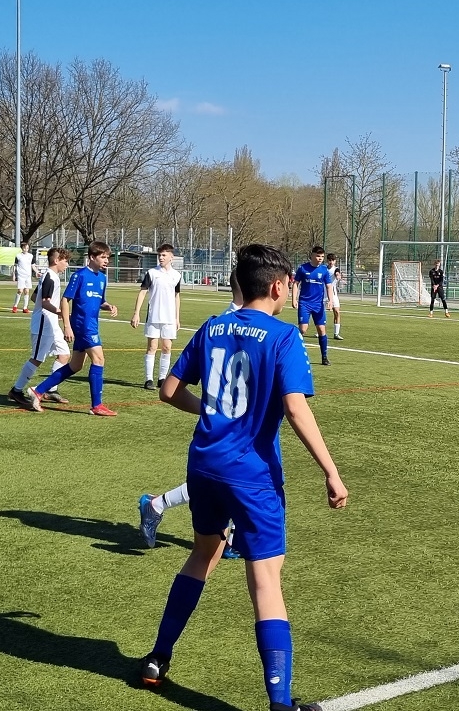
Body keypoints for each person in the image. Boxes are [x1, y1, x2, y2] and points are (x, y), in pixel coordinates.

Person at [140, 243, 347, 711]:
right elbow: (296, 408)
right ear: (276, 287)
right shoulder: (283, 336)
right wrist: (331, 472)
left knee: (202, 555)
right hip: (252, 475)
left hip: (204, 465)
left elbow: (168, 391)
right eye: (289, 284)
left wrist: (211, 412)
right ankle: (279, 702)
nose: (291, 290)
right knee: (266, 579)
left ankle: (157, 657)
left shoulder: (213, 326)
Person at [138, 273, 246, 557]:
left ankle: (158, 505)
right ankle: (230, 537)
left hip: (236, 422)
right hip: (231, 426)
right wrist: (212, 410)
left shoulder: (227, 324)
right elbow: (171, 390)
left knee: (225, 480)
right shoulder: (231, 327)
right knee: (229, 478)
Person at [29, 241, 119, 416]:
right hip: (82, 325)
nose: (106, 260)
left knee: (76, 365)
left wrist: (108, 306)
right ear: (92, 257)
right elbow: (65, 300)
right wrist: (67, 326)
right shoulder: (79, 276)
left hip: (92, 324)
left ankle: (38, 390)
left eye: (107, 257)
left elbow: (100, 301)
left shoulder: (102, 278)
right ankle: (97, 406)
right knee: (99, 359)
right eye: (103, 257)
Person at [8, 247, 73, 410]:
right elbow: (44, 302)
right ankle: (16, 390)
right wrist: (60, 312)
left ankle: (50, 390)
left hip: (51, 323)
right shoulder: (50, 277)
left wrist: (55, 312)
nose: (67, 264)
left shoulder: (50, 276)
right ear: (56, 260)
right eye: (65, 261)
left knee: (64, 354)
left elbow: (34, 297)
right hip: (43, 323)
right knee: (37, 358)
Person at [130, 244, 182, 390]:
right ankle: (148, 379)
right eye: (159, 255)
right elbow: (142, 292)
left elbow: (176, 296)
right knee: (152, 347)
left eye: (164, 255)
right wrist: (136, 313)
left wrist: (177, 318)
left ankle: (162, 378)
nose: (161, 257)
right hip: (154, 316)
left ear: (171, 257)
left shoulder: (176, 275)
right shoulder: (152, 273)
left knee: (167, 347)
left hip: (169, 318)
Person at [292, 246, 334, 365]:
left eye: (322, 256)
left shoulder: (324, 270)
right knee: (303, 329)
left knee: (321, 329)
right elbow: (296, 283)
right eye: (318, 256)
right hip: (304, 303)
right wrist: (294, 299)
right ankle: (294, 351)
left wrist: (330, 300)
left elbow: (329, 286)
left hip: (318, 305)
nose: (320, 258)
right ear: (312, 255)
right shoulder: (303, 268)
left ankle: (324, 357)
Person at [11, 242, 39, 314]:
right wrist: (14, 275)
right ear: (22, 248)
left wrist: (37, 272)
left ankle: (25, 308)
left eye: (27, 248)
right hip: (21, 275)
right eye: (24, 248)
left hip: (28, 276)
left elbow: (33, 265)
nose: (26, 249)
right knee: (20, 290)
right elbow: (15, 266)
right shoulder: (18, 256)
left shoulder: (31, 256)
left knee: (27, 291)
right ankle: (15, 306)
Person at [324, 252, 343, 340]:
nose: (331, 262)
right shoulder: (323, 269)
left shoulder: (336, 269)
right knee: (321, 313)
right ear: (327, 261)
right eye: (329, 260)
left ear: (335, 261)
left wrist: (338, 276)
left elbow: (337, 273)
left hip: (333, 294)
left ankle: (336, 333)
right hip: (323, 293)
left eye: (333, 260)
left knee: (337, 312)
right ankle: (320, 331)